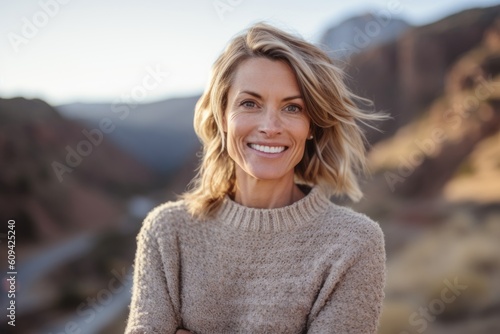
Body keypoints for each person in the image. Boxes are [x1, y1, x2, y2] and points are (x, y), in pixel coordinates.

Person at [125, 22, 386, 334]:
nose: (270, 126)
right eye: (250, 103)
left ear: (312, 126)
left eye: (292, 108)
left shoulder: (353, 242)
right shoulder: (167, 232)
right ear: (222, 115)